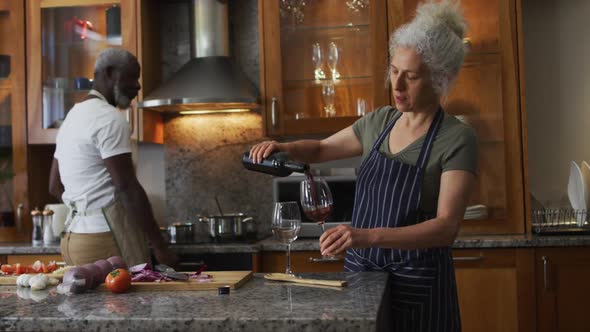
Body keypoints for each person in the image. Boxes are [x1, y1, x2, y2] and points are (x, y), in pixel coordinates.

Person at [249, 1, 476, 330]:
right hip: (364, 277)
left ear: (440, 79)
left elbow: (446, 228)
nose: (396, 86)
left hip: (420, 283)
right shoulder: (380, 122)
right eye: (394, 70)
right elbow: (323, 148)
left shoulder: (457, 138)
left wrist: (365, 236)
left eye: (410, 77)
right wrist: (283, 146)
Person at [49, 48, 178, 268]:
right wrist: (160, 246)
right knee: (132, 303)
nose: (138, 86)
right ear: (110, 73)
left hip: (74, 238)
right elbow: (127, 187)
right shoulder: (109, 119)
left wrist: (84, 209)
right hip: (106, 240)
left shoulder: (72, 116)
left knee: (86, 305)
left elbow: (54, 185)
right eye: (133, 77)